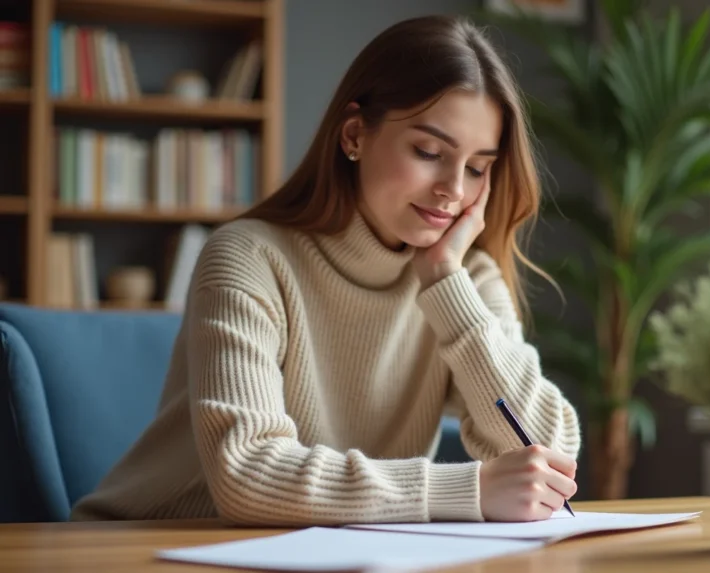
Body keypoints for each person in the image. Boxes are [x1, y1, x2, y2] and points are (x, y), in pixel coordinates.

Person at [71, 14, 581, 527]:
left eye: (476, 168)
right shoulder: (247, 258)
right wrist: (465, 489)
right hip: (153, 541)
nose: (453, 188)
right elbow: (247, 473)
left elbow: (549, 451)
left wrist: (447, 285)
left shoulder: (464, 280)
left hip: (321, 550)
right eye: (429, 152)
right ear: (355, 134)